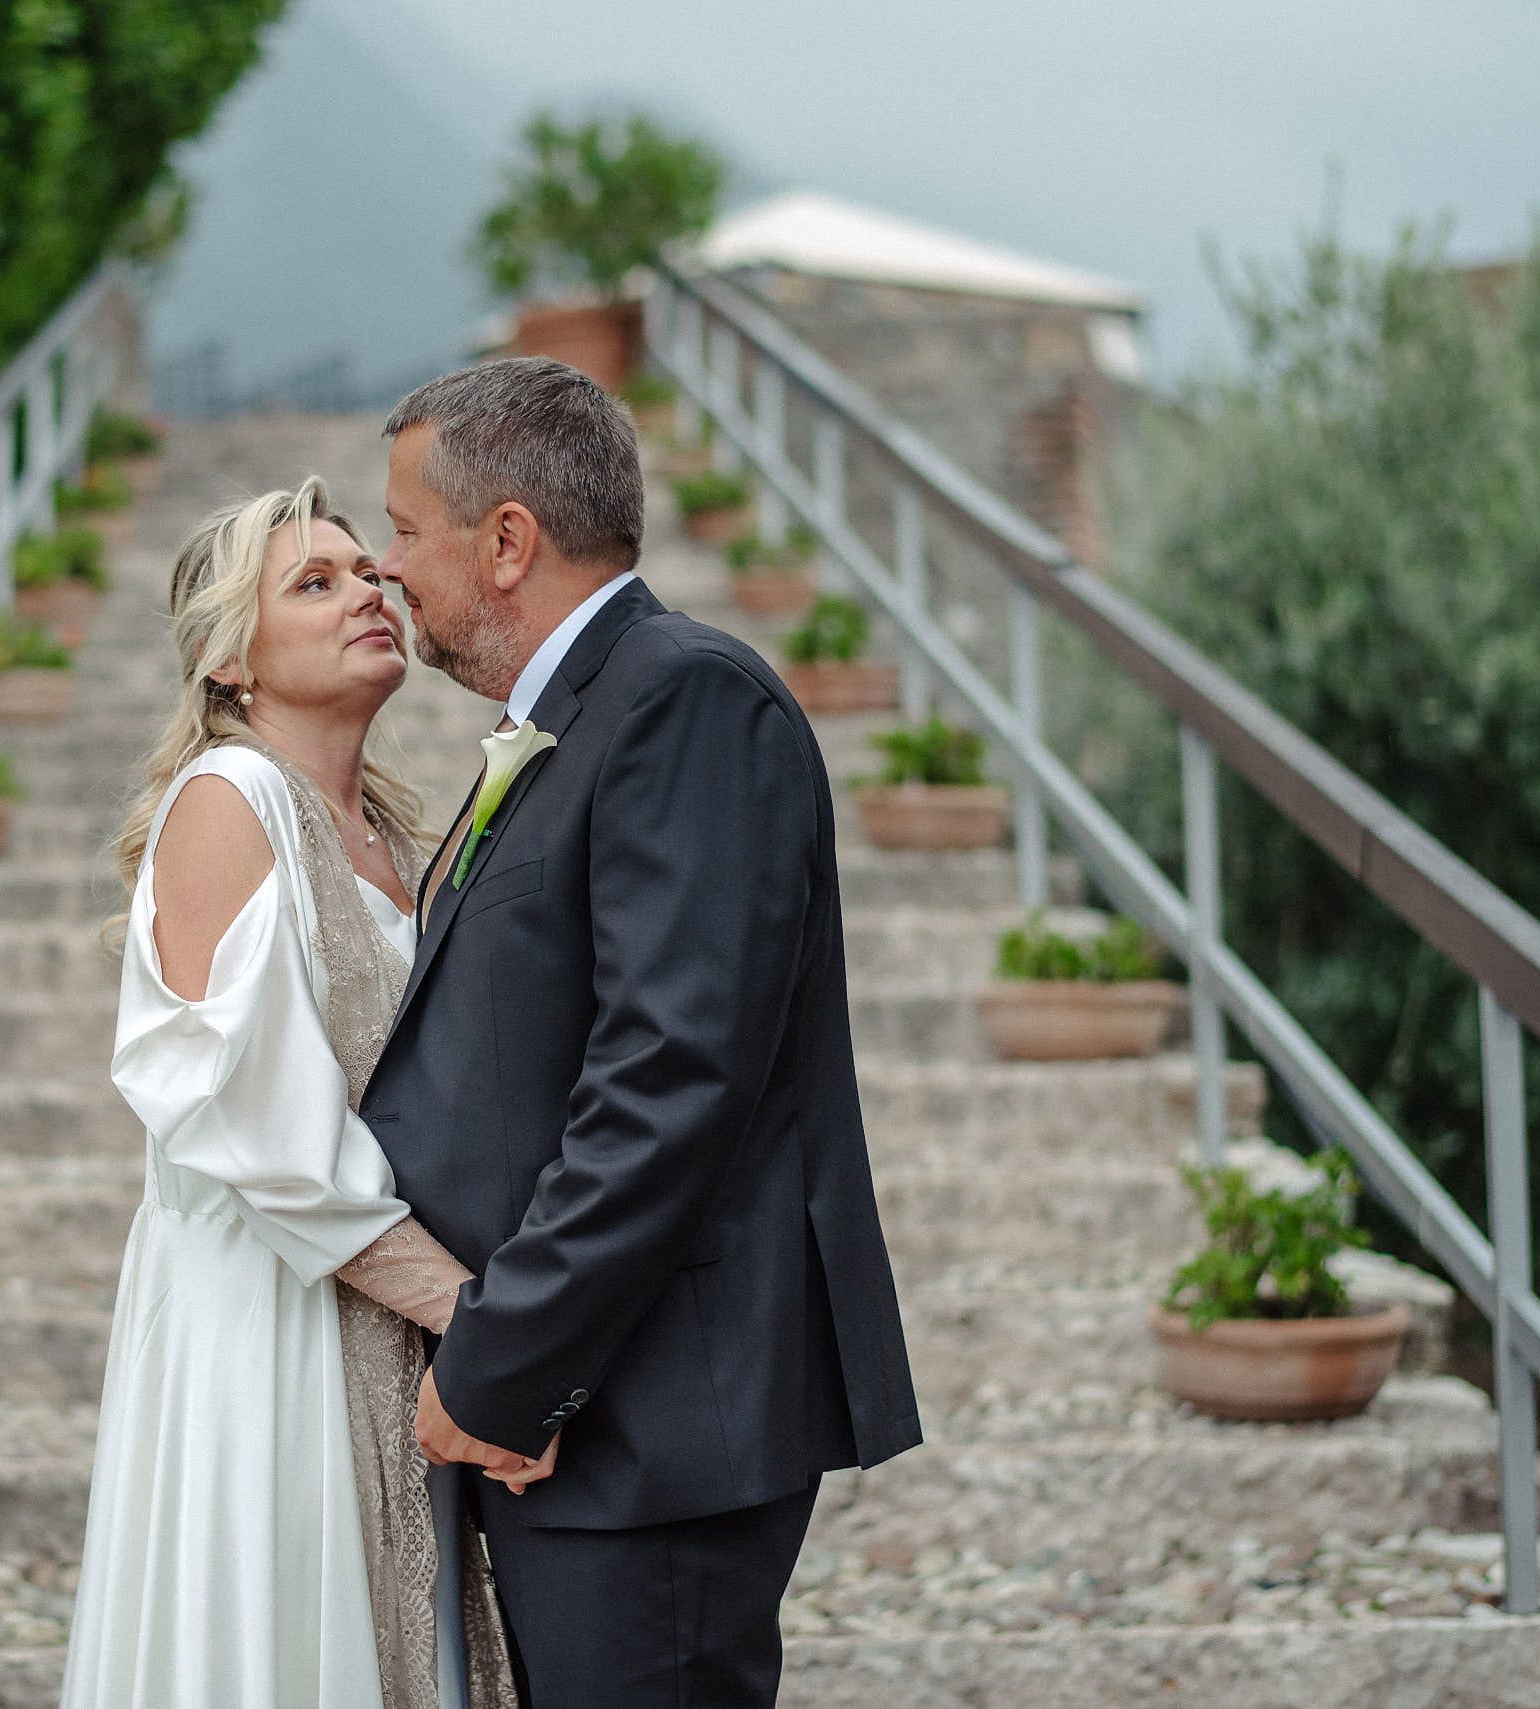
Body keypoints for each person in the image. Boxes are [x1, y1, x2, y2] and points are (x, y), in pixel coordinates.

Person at [365, 357, 923, 1708]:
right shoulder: (575, 716)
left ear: (507, 541)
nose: (387, 570)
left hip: (652, 1422)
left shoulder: (686, 700)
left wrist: (503, 1367)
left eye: (401, 530)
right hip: (596, 1425)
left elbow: (669, 1080)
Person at [62, 480, 521, 1709]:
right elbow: (253, 1128)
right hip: (264, 1323)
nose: (366, 591)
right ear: (227, 661)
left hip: (358, 1307)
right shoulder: (231, 800)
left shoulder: (385, 827)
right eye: (312, 583)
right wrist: (486, 1326)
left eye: (368, 569)